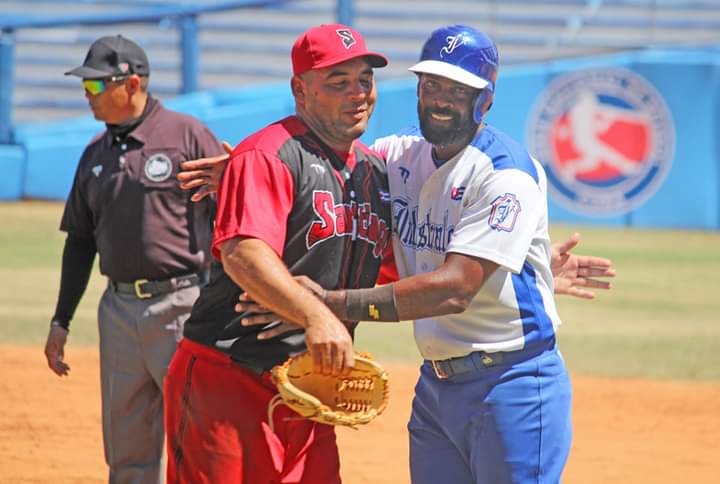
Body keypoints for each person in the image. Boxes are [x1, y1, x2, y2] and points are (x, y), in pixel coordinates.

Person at [234, 25, 617, 484]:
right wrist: (246, 161)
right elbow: (325, 163)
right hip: (436, 384)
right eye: (431, 84)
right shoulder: (397, 156)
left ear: (486, 100)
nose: (440, 98)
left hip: (512, 383)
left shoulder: (506, 175)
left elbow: (454, 290)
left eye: (458, 89)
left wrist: (327, 306)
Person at [162, 24, 392, 483]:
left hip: (311, 387)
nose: (358, 94)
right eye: (338, 82)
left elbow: (398, 266)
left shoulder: (373, 170)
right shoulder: (268, 155)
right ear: (299, 90)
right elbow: (244, 253)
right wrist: (317, 317)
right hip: (229, 381)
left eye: (365, 80)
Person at [42, 35, 224, 484]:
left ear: (133, 83)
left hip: (183, 305)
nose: (88, 96)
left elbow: (229, 222)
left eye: (97, 86)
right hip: (119, 313)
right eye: (86, 87)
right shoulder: (94, 155)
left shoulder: (187, 136)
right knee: (127, 448)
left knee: (196, 437)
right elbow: (80, 242)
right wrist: (61, 320)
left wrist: (223, 306)